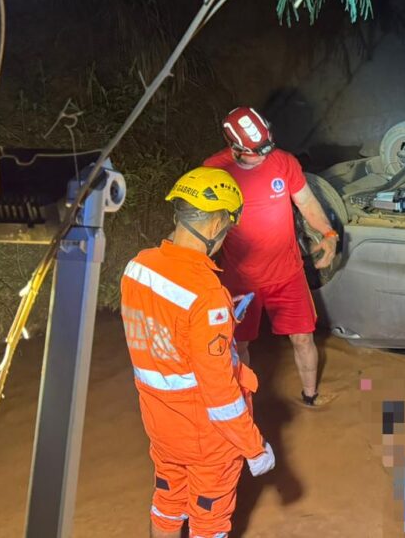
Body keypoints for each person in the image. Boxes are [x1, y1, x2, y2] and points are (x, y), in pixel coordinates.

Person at [120, 166, 276, 538]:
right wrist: (254, 448)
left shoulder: (137, 268)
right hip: (206, 438)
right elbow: (221, 396)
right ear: (217, 223)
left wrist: (219, 320)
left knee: (167, 505)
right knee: (210, 522)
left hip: (160, 426)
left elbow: (163, 329)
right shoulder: (207, 296)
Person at [204, 106, 338, 407]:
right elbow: (201, 225)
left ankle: (310, 398)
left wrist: (329, 234)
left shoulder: (284, 163)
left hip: (287, 274)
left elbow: (307, 203)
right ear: (234, 147)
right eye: (256, 152)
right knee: (238, 344)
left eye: (267, 147)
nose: (265, 156)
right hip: (240, 280)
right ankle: (243, 409)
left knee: (303, 338)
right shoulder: (213, 171)